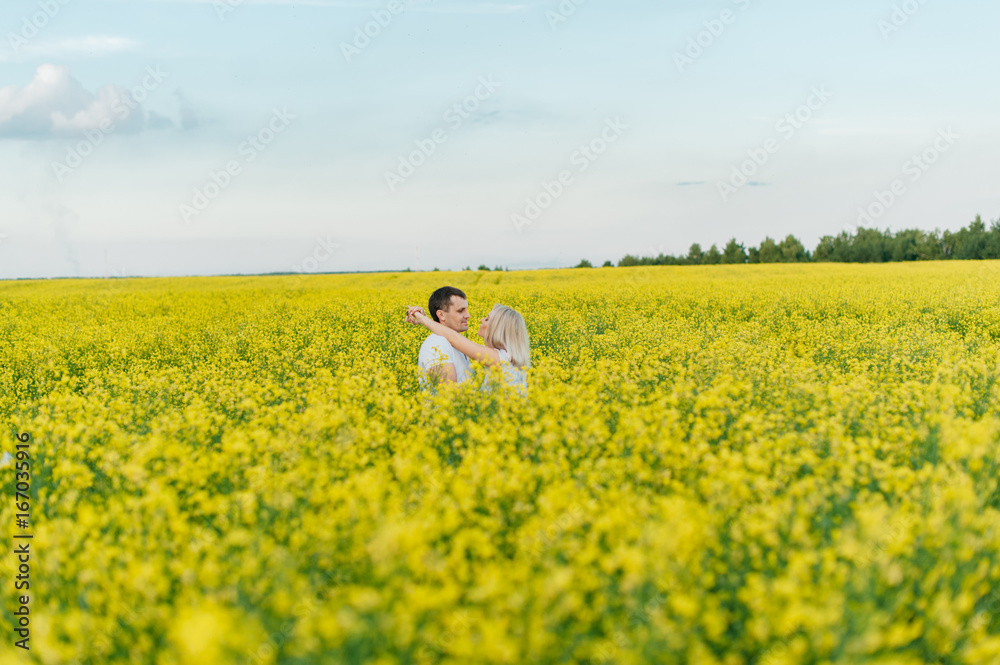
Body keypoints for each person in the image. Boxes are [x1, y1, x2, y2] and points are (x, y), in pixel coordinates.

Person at [407, 301, 530, 396]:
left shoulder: (502, 359)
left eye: (487, 319)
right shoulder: (506, 357)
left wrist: (422, 319)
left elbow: (453, 338)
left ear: (497, 329)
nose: (481, 319)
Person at [415, 286, 474, 389]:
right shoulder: (436, 345)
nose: (467, 315)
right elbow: (449, 393)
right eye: (461, 311)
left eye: (466, 310)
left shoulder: (456, 342)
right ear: (441, 315)